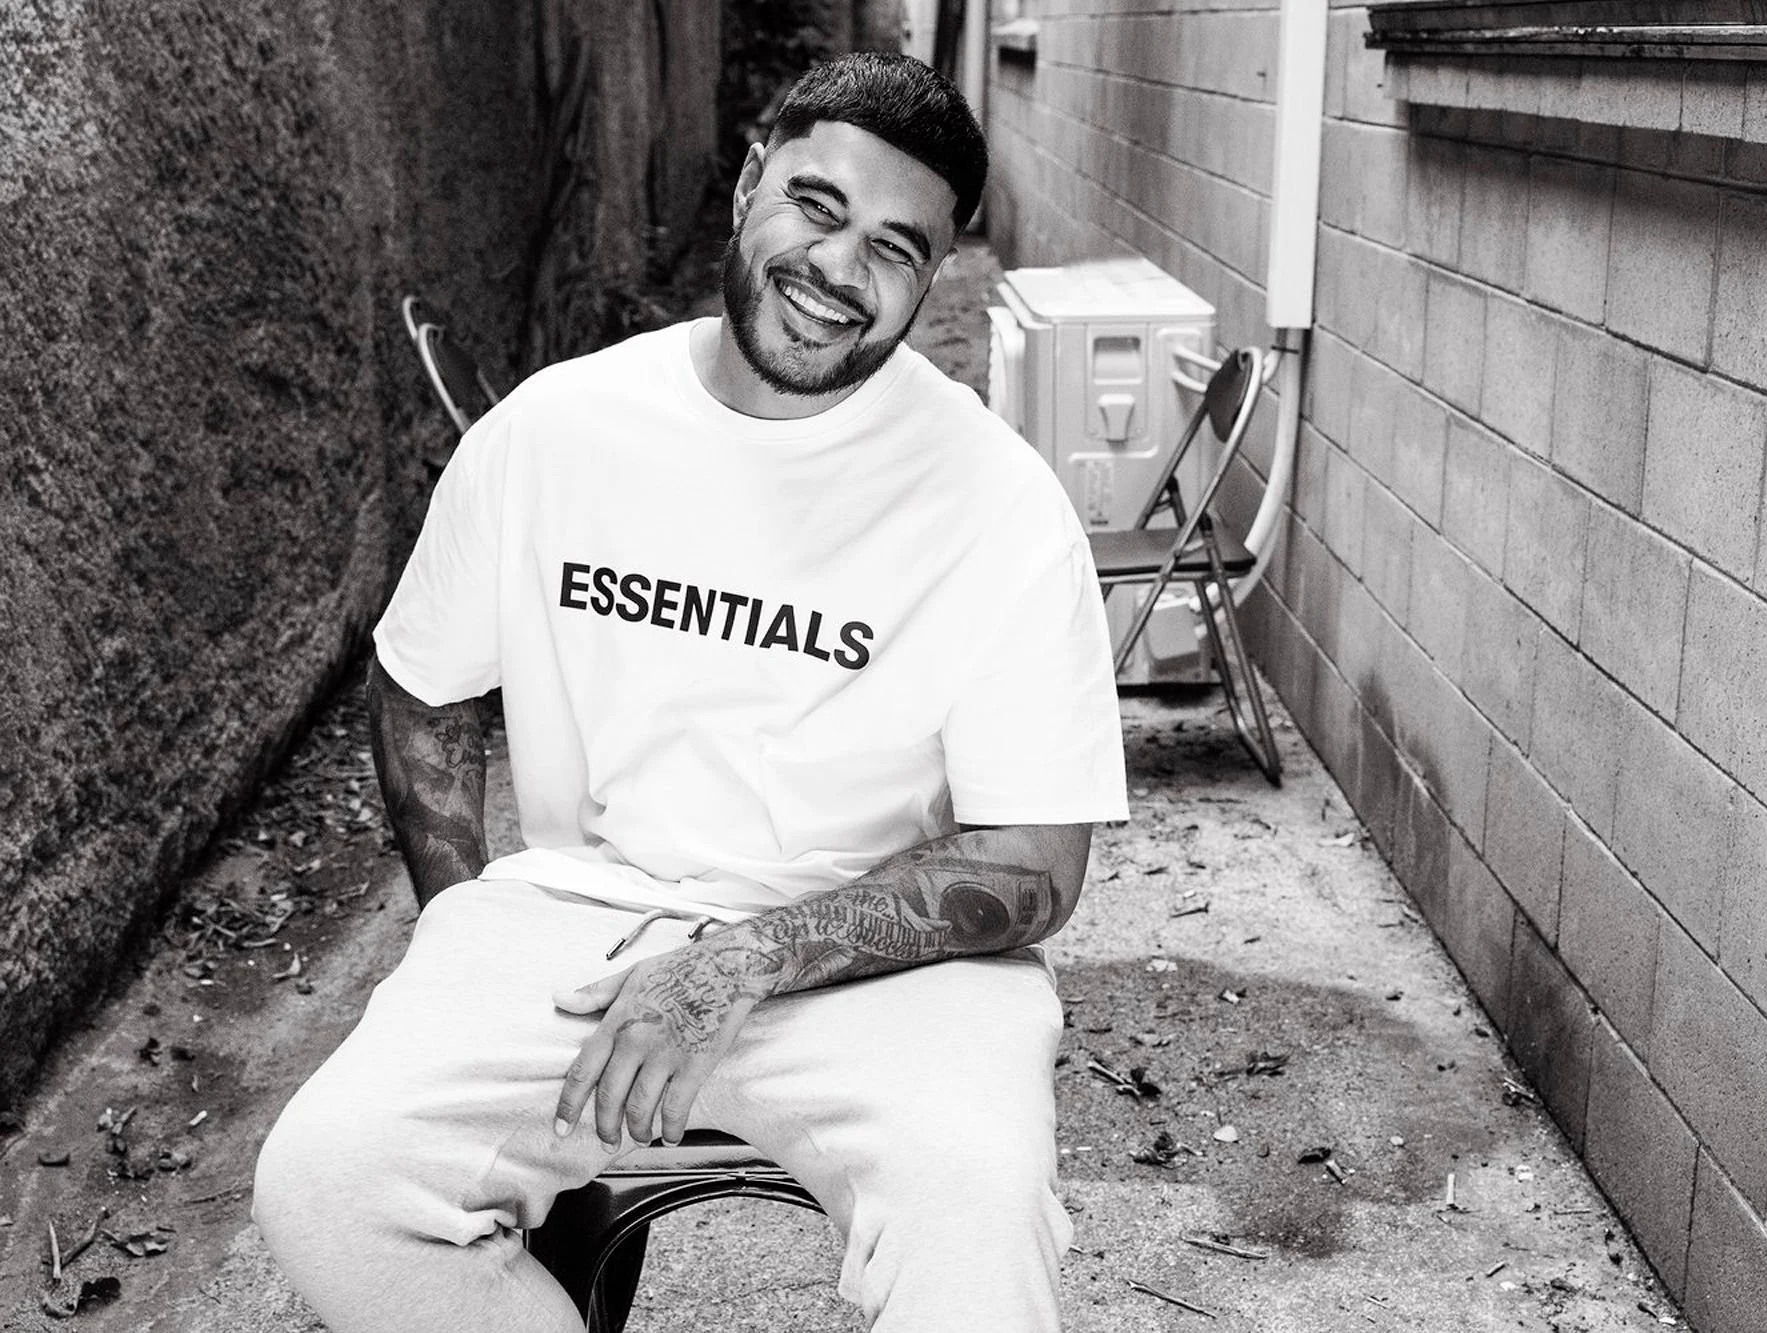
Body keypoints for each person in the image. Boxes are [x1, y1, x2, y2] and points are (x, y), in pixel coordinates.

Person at [251, 51, 1128, 1333]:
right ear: (746, 188)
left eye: (894, 246)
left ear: (930, 279)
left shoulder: (995, 506)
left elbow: (1036, 868)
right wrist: (462, 927)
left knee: (975, 1212)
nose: (838, 270)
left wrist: (742, 962)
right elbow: (421, 685)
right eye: (816, 207)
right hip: (585, 922)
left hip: (879, 966)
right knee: (330, 1180)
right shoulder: (558, 433)